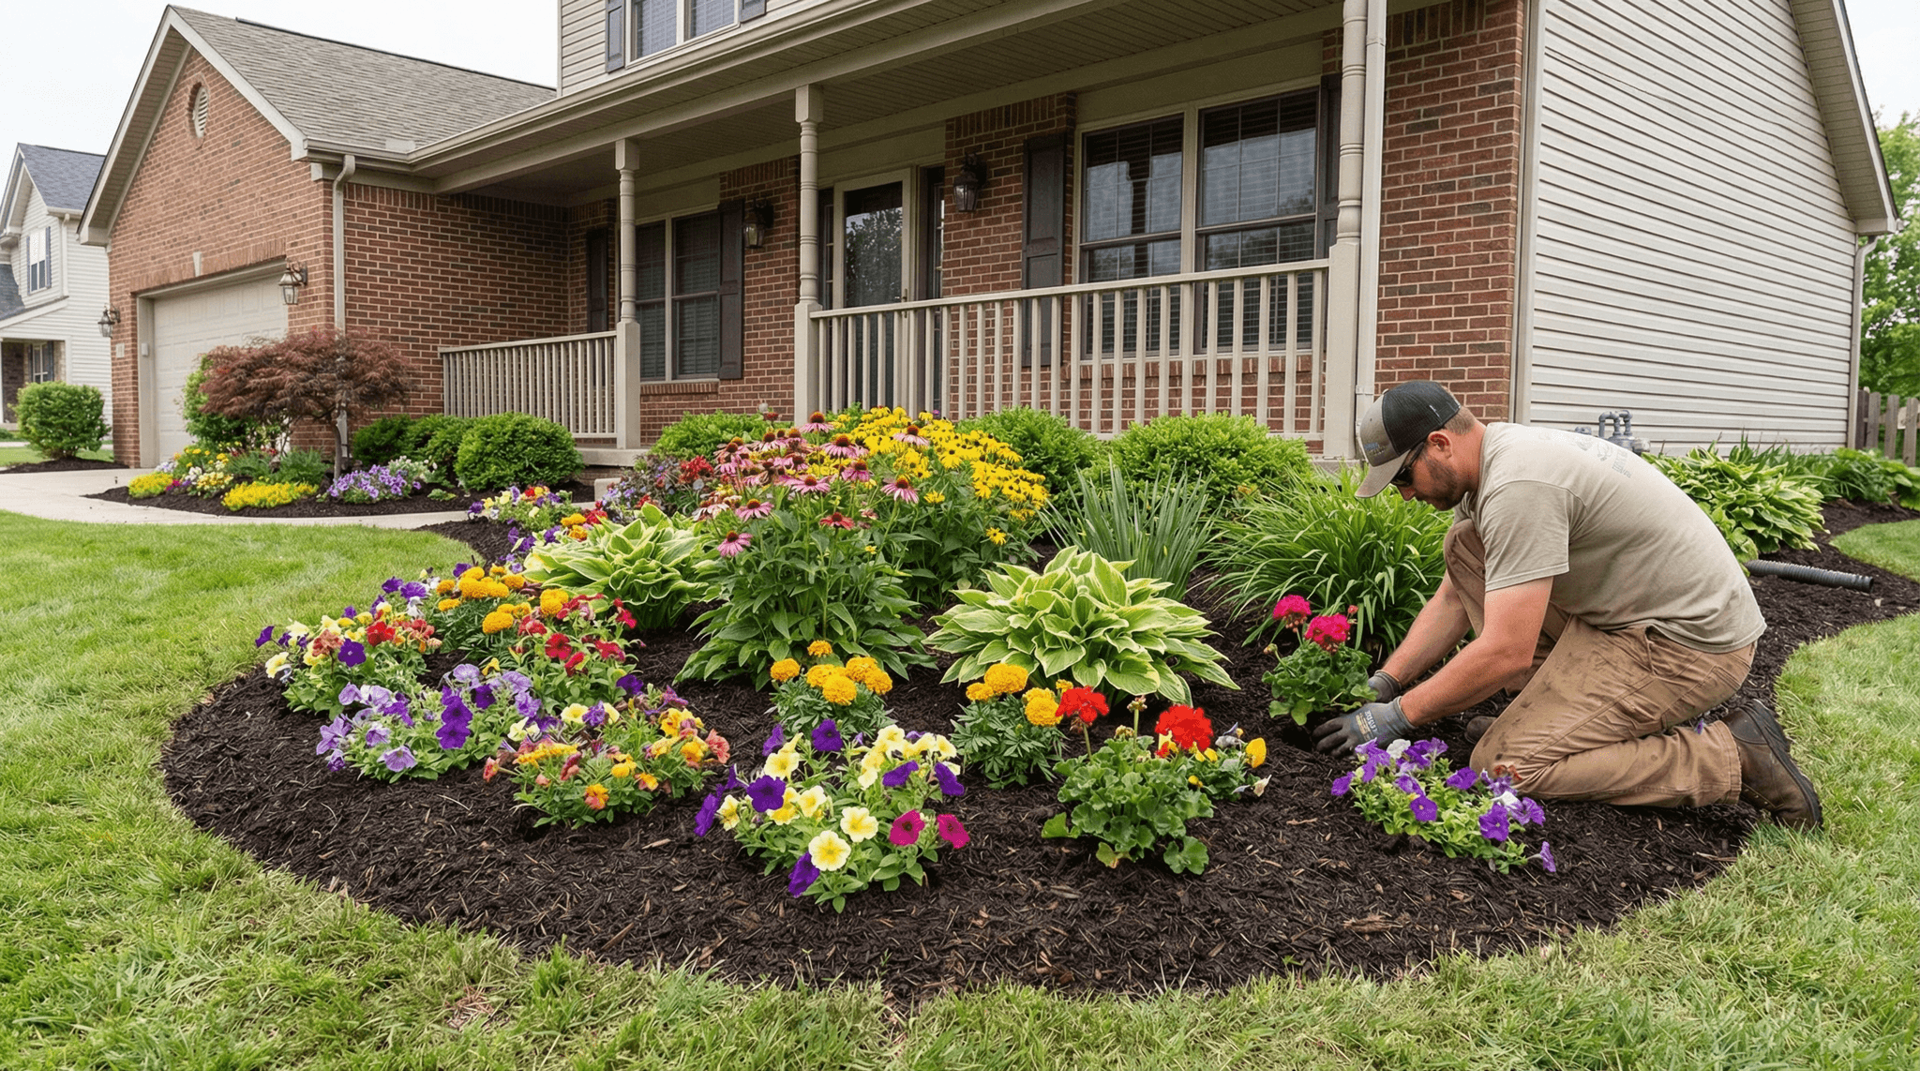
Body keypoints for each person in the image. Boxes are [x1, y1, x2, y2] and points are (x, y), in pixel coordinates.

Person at [1311, 381, 1822, 829]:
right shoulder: (1492, 460)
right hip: (1623, 620)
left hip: (1687, 647)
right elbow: (1453, 596)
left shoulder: (1518, 486)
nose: (1402, 495)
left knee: (1504, 765)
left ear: (1440, 444)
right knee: (1466, 548)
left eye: (1402, 478)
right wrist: (1388, 681)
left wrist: (1395, 717)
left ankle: (1734, 757)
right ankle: (1554, 726)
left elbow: (1506, 651)